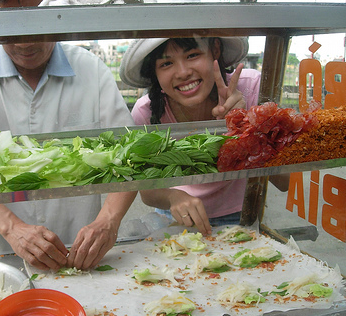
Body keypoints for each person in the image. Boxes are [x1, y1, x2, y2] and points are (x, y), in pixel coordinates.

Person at [0, 0, 136, 271]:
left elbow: (129, 157)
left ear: (57, 9)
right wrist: (11, 228)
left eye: (38, 19)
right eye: (9, 23)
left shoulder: (91, 70)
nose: (25, 40)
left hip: (81, 254)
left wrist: (108, 221)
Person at [120, 36, 287, 236]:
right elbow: (148, 192)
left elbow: (285, 181)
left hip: (245, 217)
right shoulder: (145, 113)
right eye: (166, 63)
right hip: (175, 219)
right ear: (154, 73)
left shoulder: (252, 89)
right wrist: (173, 196)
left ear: (215, 50)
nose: (183, 72)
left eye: (192, 55)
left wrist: (244, 127)